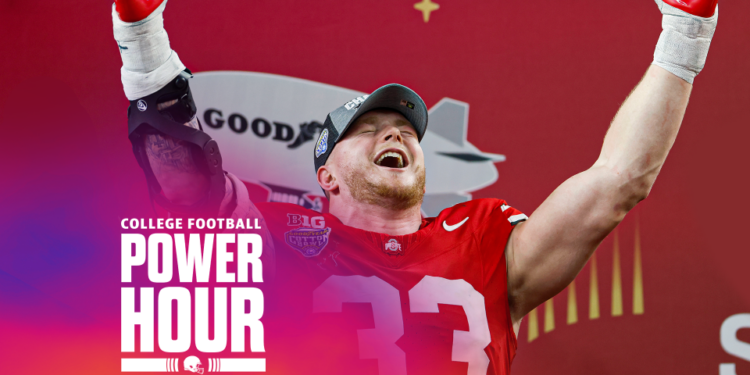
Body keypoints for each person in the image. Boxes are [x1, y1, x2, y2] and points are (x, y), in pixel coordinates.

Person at [112, 0, 719, 373]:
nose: (392, 134)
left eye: (403, 127)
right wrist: (142, 36)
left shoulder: (482, 238)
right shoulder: (277, 235)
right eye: (368, 128)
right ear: (325, 175)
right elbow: (186, 180)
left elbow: (617, 182)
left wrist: (686, 29)